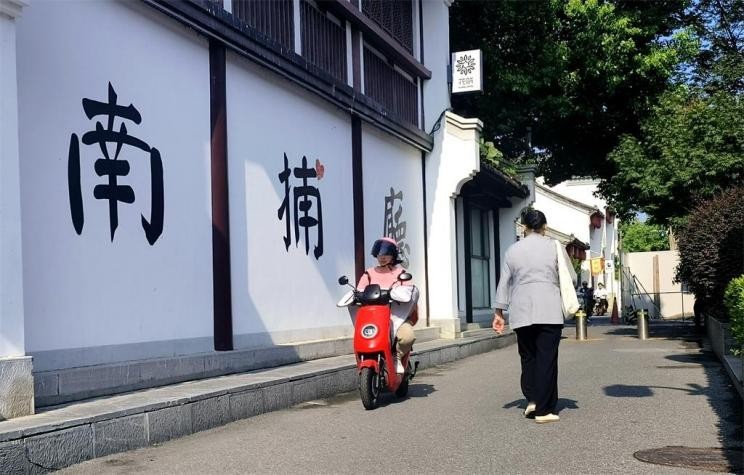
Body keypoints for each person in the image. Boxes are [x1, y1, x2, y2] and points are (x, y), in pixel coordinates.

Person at [492, 209, 565, 424]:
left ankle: (533, 398)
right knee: (547, 358)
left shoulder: (513, 250)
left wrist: (499, 311)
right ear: (545, 227)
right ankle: (543, 409)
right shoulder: (555, 246)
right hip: (549, 308)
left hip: (521, 308)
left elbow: (504, 282)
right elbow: (567, 276)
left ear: (524, 227)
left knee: (528, 356)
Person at [357, 237, 418, 373]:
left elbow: (409, 291)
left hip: (397, 317)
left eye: (386, 254)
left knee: (408, 337)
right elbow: (359, 290)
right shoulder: (369, 273)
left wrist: (397, 293)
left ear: (393, 255)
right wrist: (356, 295)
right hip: (374, 318)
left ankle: (397, 356)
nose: (382, 257)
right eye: (379, 254)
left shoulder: (400, 273)